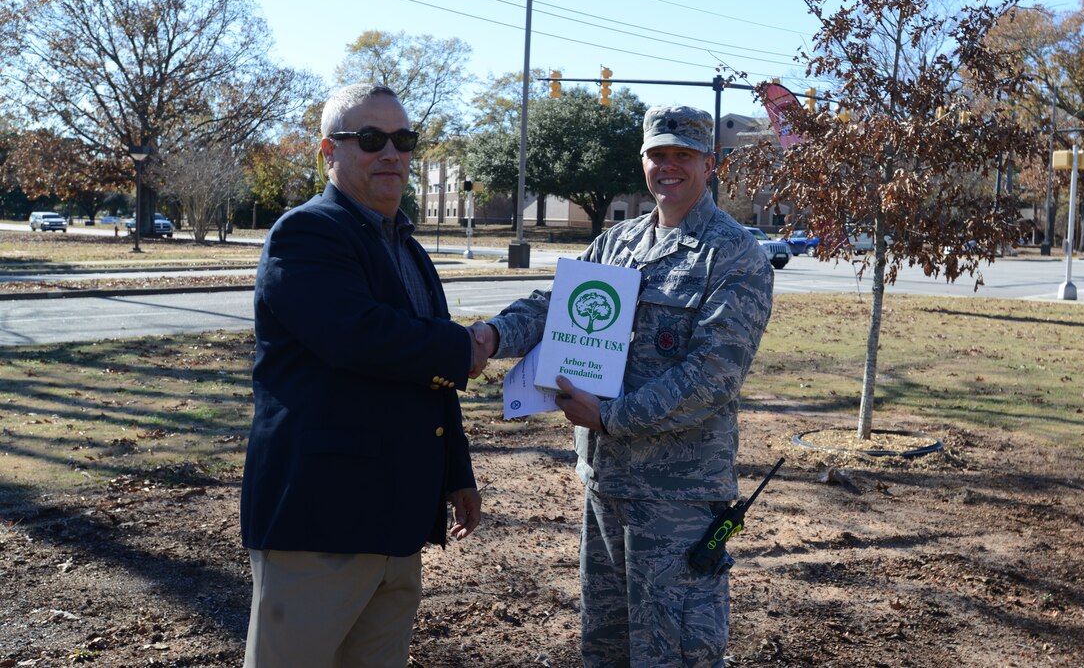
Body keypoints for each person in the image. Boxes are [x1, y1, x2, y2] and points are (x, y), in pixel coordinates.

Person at [470, 105, 774, 667]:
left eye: (683, 155)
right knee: (605, 648)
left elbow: (712, 377)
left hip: (675, 500)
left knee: (673, 655)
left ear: (710, 163)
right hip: (605, 485)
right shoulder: (618, 244)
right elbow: (554, 307)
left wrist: (611, 416)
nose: (669, 166)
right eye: (658, 154)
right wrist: (491, 336)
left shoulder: (734, 254)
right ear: (643, 162)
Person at [240, 83, 485, 668]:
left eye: (404, 140)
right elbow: (358, 337)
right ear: (329, 151)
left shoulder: (408, 247)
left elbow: (429, 374)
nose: (392, 154)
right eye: (371, 139)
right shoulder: (306, 233)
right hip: (320, 522)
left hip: (397, 521)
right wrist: (469, 344)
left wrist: (456, 471)